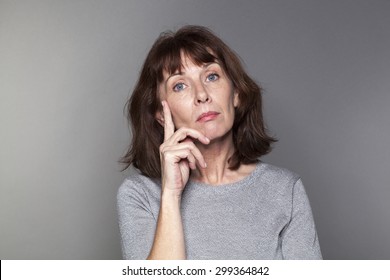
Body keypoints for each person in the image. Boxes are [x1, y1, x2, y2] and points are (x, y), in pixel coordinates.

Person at [117, 25, 322, 260]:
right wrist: (171, 195)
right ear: (161, 115)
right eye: (179, 85)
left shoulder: (285, 190)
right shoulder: (139, 195)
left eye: (211, 76)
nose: (201, 94)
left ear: (236, 93)